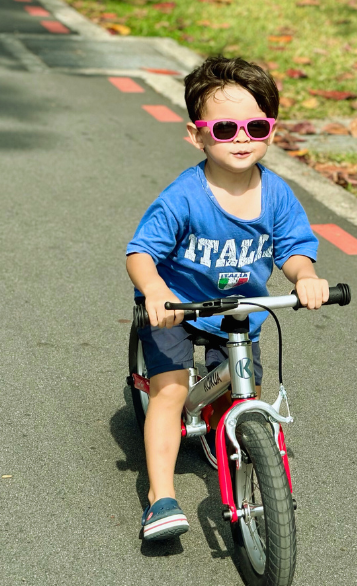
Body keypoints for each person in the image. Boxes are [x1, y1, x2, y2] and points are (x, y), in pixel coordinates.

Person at [126, 56, 329, 541]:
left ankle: (240, 446)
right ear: (197, 135)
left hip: (239, 313)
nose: (241, 137)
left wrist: (305, 276)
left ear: (272, 131)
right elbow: (140, 252)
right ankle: (161, 496)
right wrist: (155, 290)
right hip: (178, 307)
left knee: (245, 392)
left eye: (255, 125)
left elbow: (296, 249)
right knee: (171, 393)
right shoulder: (185, 196)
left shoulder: (277, 195)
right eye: (224, 128)